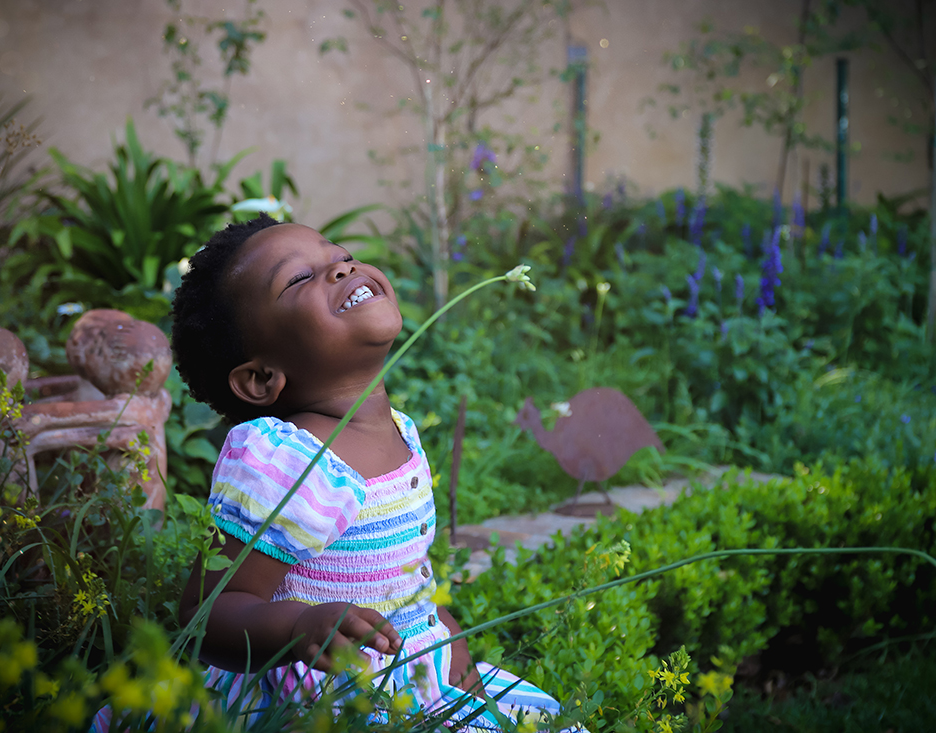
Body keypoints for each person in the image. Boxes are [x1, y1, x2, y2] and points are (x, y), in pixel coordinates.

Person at [91, 214, 578, 731]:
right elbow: (207, 613)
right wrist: (299, 625)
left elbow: (403, 573)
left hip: (409, 675)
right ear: (260, 378)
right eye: (299, 279)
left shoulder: (399, 428)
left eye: (342, 256)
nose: (343, 270)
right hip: (326, 697)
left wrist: (442, 635)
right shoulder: (293, 462)